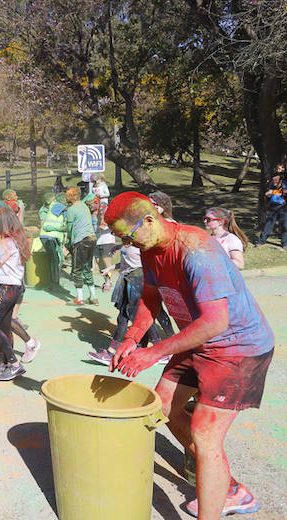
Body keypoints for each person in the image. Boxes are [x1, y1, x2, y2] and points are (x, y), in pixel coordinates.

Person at [106, 192, 274, 519]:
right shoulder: (150, 249)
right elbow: (151, 298)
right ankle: (229, 489)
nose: (127, 243)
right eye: (121, 238)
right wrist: (131, 339)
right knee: (165, 405)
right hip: (199, 341)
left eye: (128, 235)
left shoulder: (196, 251)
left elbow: (216, 321)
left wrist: (153, 352)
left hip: (237, 348)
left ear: (151, 219)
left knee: (205, 433)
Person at [0, 207, 32, 381]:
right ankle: (6, 363)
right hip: (13, 289)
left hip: (6, 289)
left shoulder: (6, 243)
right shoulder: (14, 240)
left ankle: (14, 363)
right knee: (4, 326)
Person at [65, 188, 98, 305]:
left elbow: (69, 228)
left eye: (67, 195)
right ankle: (93, 297)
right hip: (92, 238)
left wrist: (68, 240)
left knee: (77, 269)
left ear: (70, 197)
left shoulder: (71, 209)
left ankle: (79, 298)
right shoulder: (84, 206)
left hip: (81, 240)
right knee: (87, 268)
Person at [38, 193, 67, 290]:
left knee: (59, 259)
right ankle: (54, 283)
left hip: (53, 237)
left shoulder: (55, 207)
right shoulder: (55, 205)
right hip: (49, 236)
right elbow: (69, 210)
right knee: (56, 260)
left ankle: (54, 282)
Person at [255, 163, 286, 248]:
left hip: (284, 206)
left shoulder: (285, 180)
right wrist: (268, 195)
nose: (280, 170)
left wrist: (273, 192)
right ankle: (261, 241)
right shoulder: (273, 180)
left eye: (282, 168)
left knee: (285, 225)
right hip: (274, 206)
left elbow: (285, 192)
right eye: (279, 168)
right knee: (269, 224)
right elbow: (270, 191)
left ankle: (285, 244)